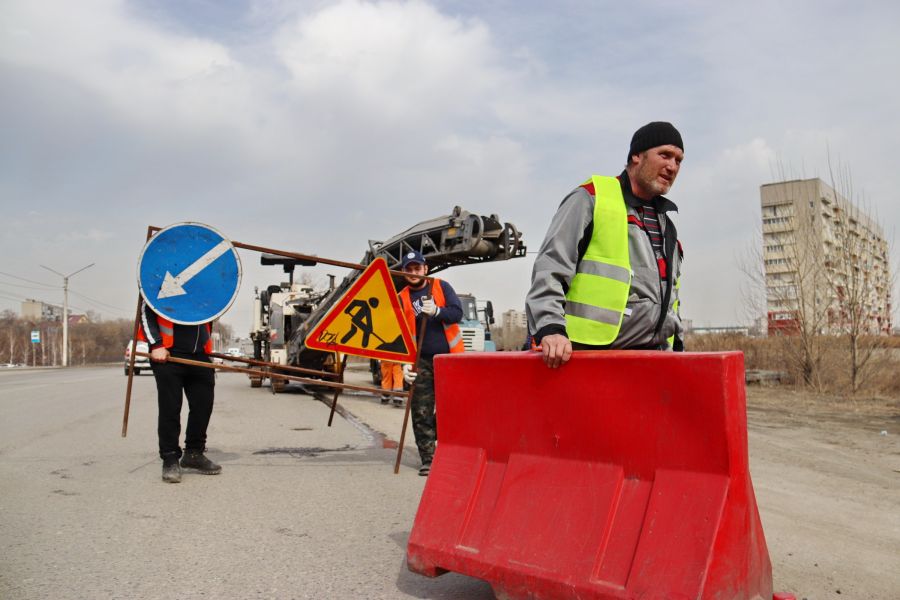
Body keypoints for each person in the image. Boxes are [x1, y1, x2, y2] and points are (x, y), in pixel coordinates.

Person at [526, 121, 686, 369]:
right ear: (636, 155)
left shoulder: (666, 225)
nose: (672, 166)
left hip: (651, 363)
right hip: (586, 359)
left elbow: (671, 297)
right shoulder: (592, 198)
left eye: (678, 160)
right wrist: (551, 328)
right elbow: (551, 265)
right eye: (664, 155)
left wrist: (677, 349)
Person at [397, 250, 464, 476]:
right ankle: (428, 458)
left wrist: (437, 311)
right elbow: (397, 337)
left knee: (453, 407)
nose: (414, 272)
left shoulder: (441, 287)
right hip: (420, 362)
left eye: (417, 268)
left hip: (448, 360)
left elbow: (456, 313)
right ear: (404, 271)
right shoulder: (402, 297)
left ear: (425, 269)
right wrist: (402, 365)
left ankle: (438, 438)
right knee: (421, 411)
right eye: (409, 269)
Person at [138, 301, 221, 483]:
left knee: (203, 405)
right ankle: (170, 458)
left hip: (199, 354)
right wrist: (156, 345)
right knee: (170, 408)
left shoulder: (200, 284)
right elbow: (145, 312)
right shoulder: (162, 280)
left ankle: (193, 454)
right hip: (168, 354)